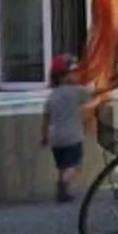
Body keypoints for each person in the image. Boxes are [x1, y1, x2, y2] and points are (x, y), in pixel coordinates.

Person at [42, 56, 87, 203]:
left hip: (56, 138)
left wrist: (44, 137)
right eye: (73, 73)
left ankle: (65, 193)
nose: (76, 76)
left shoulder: (52, 96)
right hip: (73, 136)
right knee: (75, 164)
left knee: (62, 165)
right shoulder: (76, 91)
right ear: (64, 76)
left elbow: (46, 119)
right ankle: (64, 183)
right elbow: (94, 92)